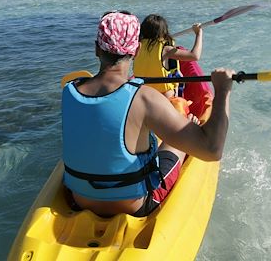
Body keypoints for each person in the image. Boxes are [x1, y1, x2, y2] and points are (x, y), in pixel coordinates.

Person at [61, 11, 234, 217]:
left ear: (97, 48)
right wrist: (223, 90)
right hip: (134, 205)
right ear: (137, 49)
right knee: (177, 142)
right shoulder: (145, 98)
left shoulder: (69, 91)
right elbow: (212, 151)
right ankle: (186, 127)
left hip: (79, 199)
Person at [133, 14, 203, 97]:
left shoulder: (136, 47)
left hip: (142, 94)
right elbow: (195, 56)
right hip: (163, 95)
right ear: (163, 32)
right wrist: (199, 34)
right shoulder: (165, 50)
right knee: (177, 77)